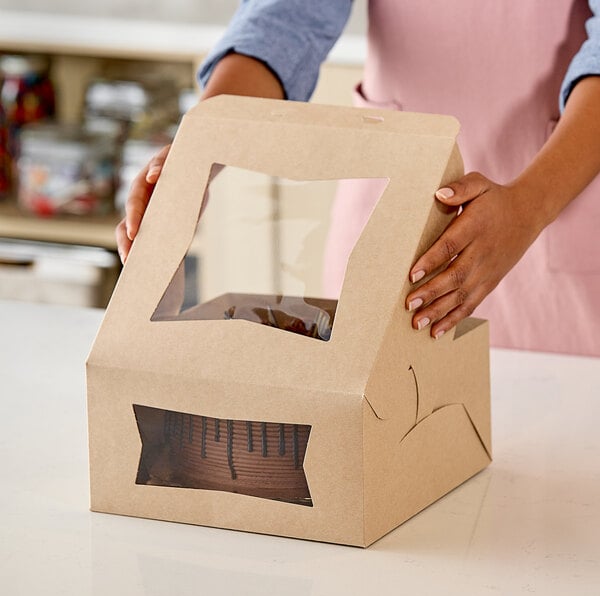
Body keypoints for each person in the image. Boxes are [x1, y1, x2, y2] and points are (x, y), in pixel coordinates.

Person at [116, 0, 600, 357]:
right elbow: (287, 19)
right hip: (391, 212)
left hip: (558, 202)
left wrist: (529, 206)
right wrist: (204, 145)